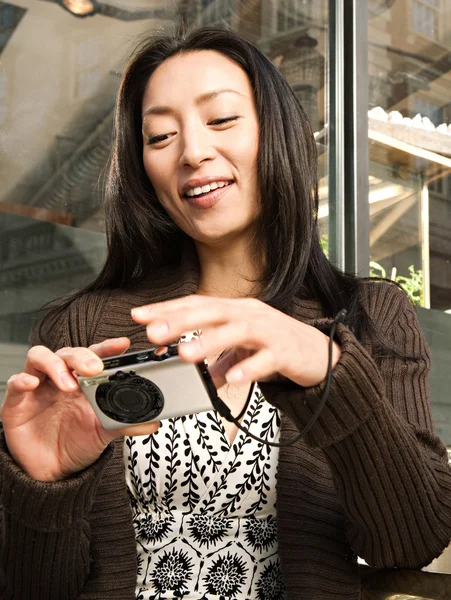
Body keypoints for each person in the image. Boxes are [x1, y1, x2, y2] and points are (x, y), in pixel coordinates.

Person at [1, 26, 450, 600]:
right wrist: (46, 484)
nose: (191, 152)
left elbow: (411, 542)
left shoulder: (370, 315)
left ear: (277, 134)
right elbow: (34, 588)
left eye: (221, 120)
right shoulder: (82, 330)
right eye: (160, 135)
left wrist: (328, 370)